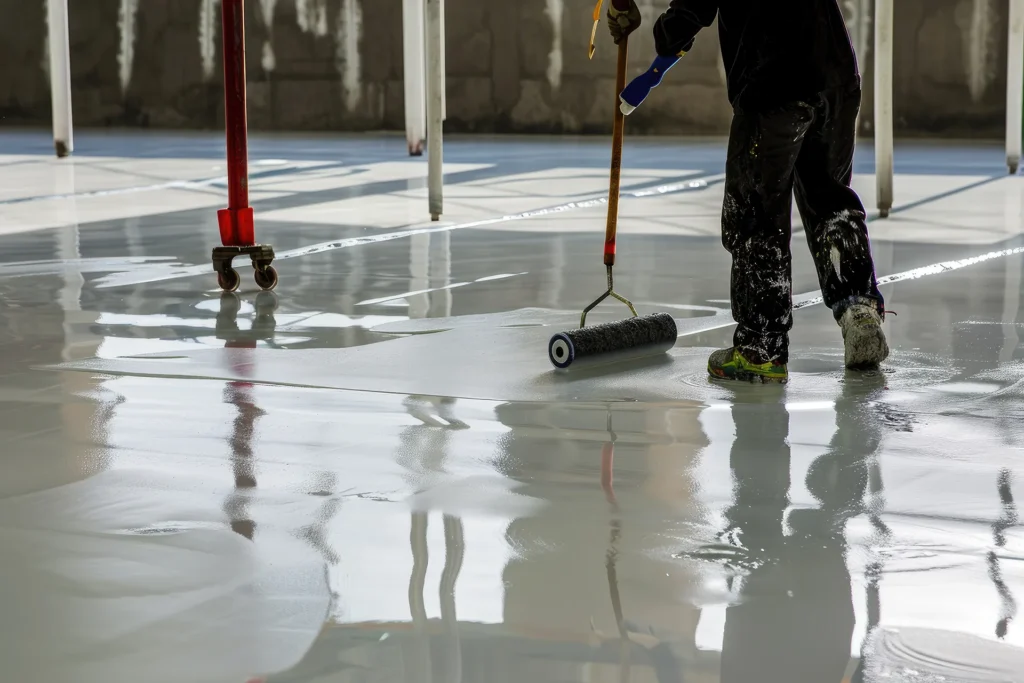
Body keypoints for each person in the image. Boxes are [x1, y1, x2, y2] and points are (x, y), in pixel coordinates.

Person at [608, 0, 890, 384]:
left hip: (772, 82)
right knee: (830, 200)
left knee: (756, 216)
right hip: (835, 78)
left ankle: (761, 348)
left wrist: (660, 32)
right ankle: (859, 310)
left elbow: (691, 10)